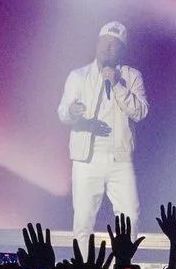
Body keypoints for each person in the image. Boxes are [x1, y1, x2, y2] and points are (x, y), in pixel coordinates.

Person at [59, 22, 150, 235]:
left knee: (130, 217)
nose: (107, 48)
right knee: (83, 220)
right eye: (104, 42)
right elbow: (63, 112)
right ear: (97, 43)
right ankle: (83, 258)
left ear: (122, 50)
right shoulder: (78, 76)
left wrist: (117, 85)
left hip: (120, 159)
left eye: (114, 44)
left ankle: (124, 257)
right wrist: (71, 111)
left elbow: (140, 112)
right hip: (86, 160)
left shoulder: (131, 77)